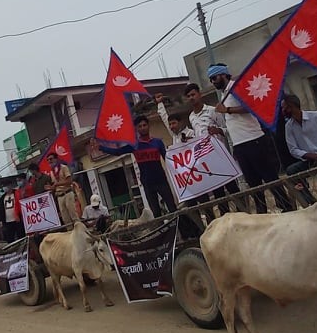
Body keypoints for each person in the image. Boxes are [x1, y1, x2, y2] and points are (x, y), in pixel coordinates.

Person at [211, 63, 294, 214]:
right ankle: (262, 213)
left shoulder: (237, 87)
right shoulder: (224, 94)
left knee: (269, 177)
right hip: (240, 144)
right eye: (210, 79)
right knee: (253, 183)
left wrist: (227, 110)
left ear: (223, 75)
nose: (213, 82)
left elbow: (251, 106)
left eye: (214, 77)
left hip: (253, 139)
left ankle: (287, 207)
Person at [91, 115, 177, 219]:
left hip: (161, 180)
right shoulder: (134, 145)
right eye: (140, 126)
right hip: (147, 183)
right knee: (156, 212)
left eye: (144, 125)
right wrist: (100, 147)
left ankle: (184, 233)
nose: (142, 128)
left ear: (148, 126)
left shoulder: (157, 142)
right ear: (137, 129)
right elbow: (118, 152)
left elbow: (168, 159)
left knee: (172, 208)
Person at [184, 82, 245, 218]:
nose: (191, 98)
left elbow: (227, 129)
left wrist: (218, 130)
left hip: (220, 156)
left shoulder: (212, 110)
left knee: (232, 188)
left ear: (199, 94)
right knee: (218, 193)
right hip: (206, 161)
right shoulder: (191, 117)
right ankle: (225, 219)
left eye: (193, 94)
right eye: (188, 96)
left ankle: (242, 214)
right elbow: (198, 136)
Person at [46, 153, 79, 227]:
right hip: (59, 196)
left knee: (74, 216)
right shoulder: (52, 172)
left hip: (67, 193)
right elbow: (55, 186)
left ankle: (80, 233)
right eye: (48, 160)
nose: (49, 161)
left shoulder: (63, 167)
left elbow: (69, 181)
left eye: (51, 159)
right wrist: (51, 188)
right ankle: (70, 234)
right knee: (65, 219)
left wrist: (56, 184)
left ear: (56, 159)